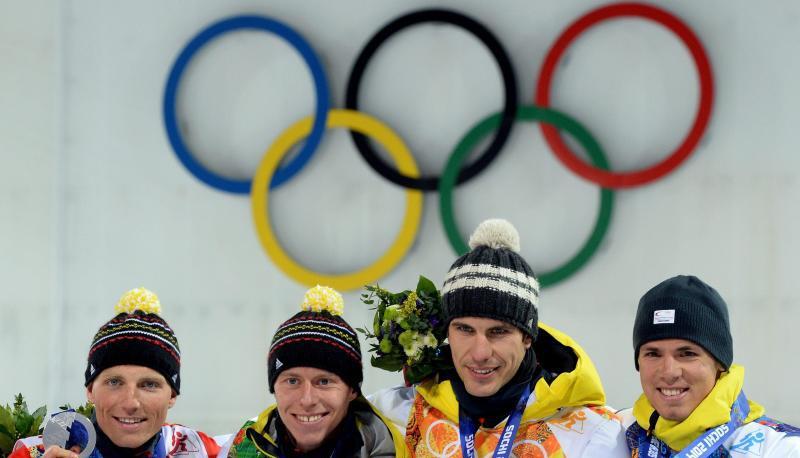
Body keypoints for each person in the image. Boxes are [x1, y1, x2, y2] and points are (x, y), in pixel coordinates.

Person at [370, 218, 628, 456]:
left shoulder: (595, 432)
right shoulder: (395, 414)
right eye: (465, 329)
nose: (480, 353)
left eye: (499, 332)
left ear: (528, 337)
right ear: (446, 330)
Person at [11, 287, 220, 458]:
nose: (131, 403)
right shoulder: (41, 452)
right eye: (114, 382)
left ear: (172, 395)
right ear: (91, 390)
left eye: (149, 385)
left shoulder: (201, 450)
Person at [218, 285, 407, 458]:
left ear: (352, 390)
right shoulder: (244, 447)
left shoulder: (393, 448)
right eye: (292, 381)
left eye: (323, 381)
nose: (307, 400)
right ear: (274, 387)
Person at [625, 275, 800, 456]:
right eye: (653, 354)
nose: (669, 372)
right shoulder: (614, 436)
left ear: (720, 363)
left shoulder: (782, 449)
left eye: (687, 354)